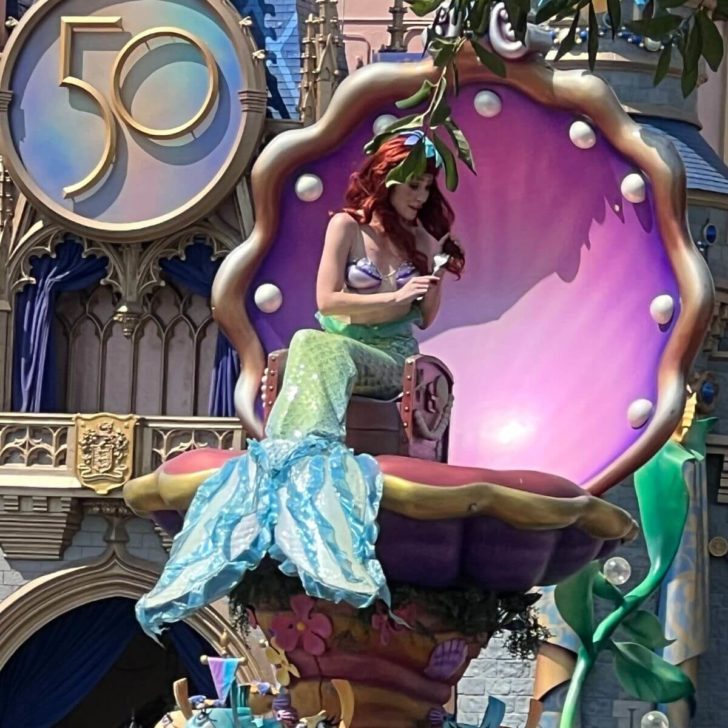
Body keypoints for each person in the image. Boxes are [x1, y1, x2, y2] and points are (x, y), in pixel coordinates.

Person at [135, 132, 464, 637]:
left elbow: (422, 319)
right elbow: (329, 300)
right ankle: (302, 458)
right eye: (412, 185)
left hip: (390, 362)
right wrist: (396, 299)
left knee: (314, 343)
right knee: (314, 340)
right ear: (387, 180)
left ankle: (295, 457)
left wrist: (433, 277)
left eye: (426, 186)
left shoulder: (418, 240)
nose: (420, 196)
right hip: (339, 348)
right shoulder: (346, 227)